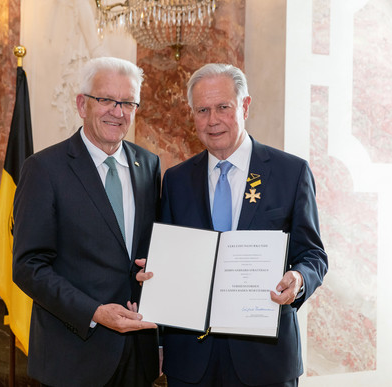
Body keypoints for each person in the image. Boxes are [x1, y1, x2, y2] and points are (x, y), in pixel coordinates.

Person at [140, 63, 328, 386]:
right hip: (190, 362)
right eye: (202, 110)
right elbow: (169, 259)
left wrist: (298, 279)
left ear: (244, 106)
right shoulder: (176, 181)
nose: (213, 120)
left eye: (223, 107)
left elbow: (314, 256)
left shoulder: (290, 173)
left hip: (265, 360)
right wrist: (156, 274)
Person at [13, 57, 161, 387]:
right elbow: (28, 266)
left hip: (138, 356)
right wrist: (94, 311)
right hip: (72, 357)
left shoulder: (149, 165)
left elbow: (147, 248)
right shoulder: (44, 169)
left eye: (127, 102)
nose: (117, 111)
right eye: (106, 100)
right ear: (82, 104)